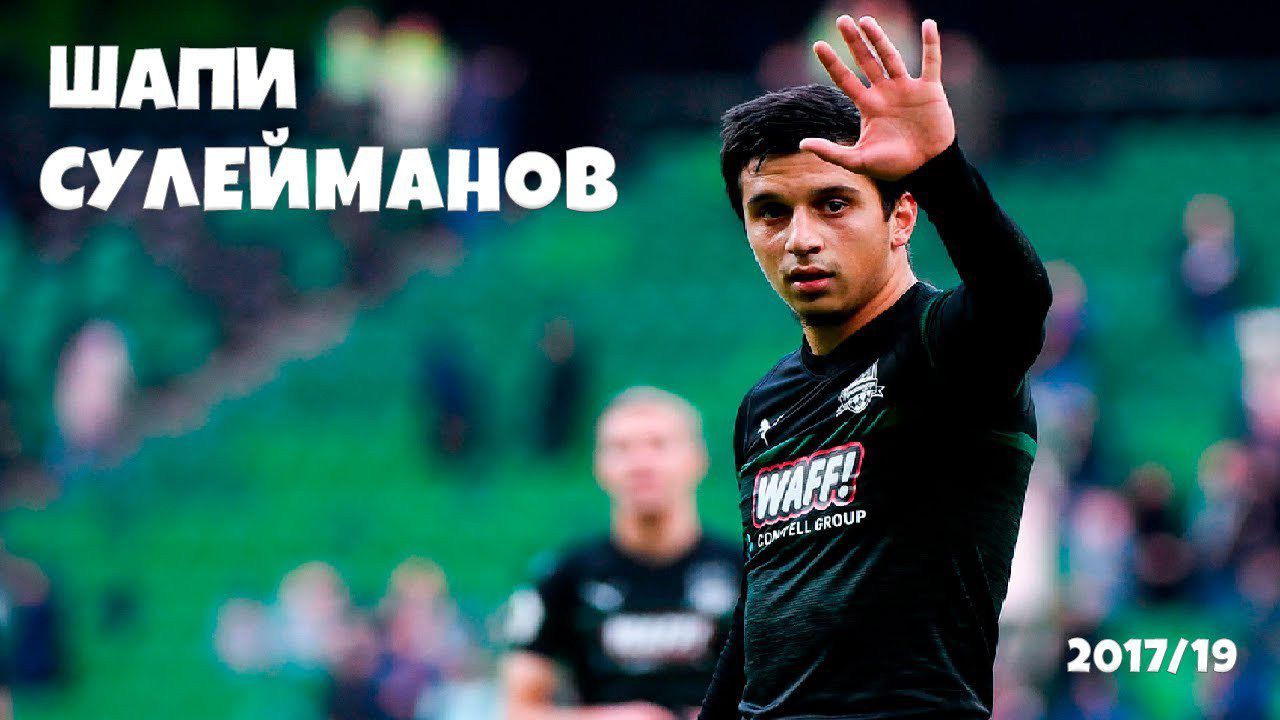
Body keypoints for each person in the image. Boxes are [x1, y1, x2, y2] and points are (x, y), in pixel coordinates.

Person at [699, 15, 1051, 720]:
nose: (801, 239)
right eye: (771, 213)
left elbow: (1016, 300)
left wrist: (941, 165)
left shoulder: (944, 349)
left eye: (834, 204)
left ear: (901, 218)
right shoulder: (764, 403)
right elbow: (762, 607)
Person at [502, 387, 742, 720]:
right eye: (621, 448)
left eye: (659, 444)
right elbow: (517, 710)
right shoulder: (563, 578)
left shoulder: (747, 573)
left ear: (698, 459)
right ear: (599, 465)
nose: (641, 463)